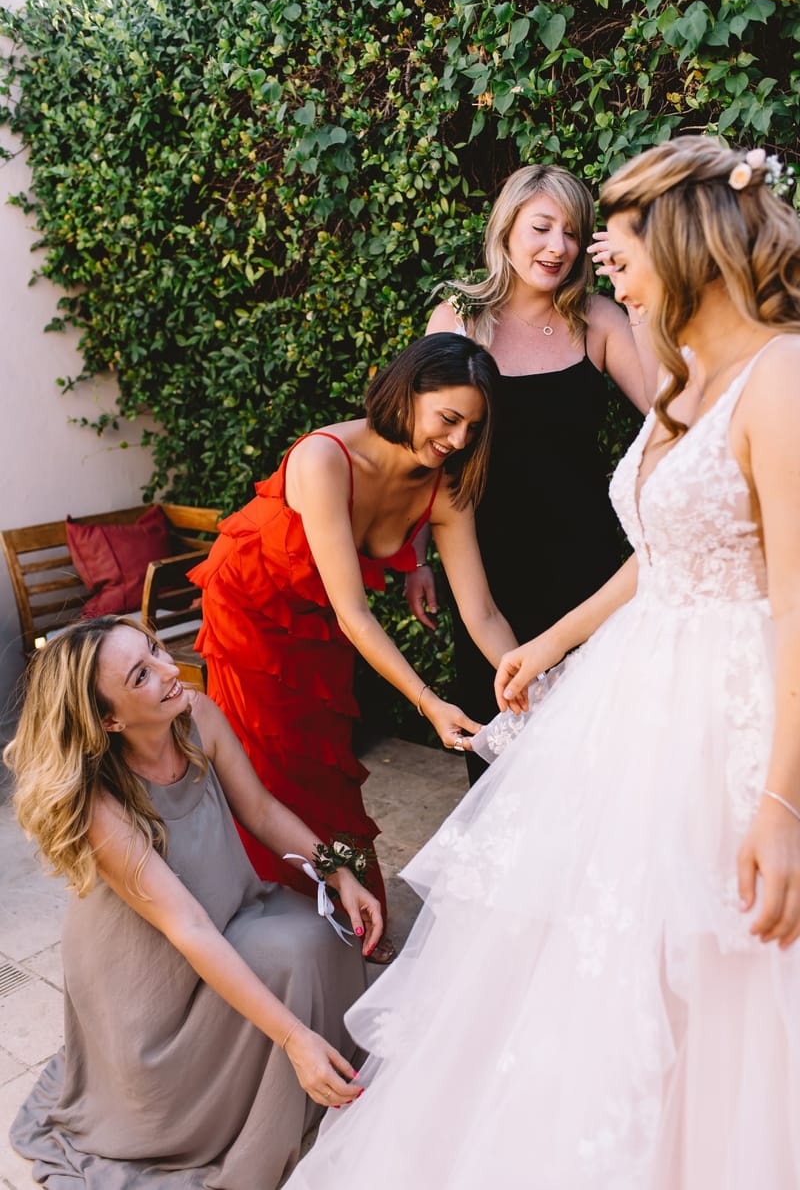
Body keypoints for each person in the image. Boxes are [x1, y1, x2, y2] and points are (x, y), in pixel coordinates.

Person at [281, 136, 800, 1188]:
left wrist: (779, 802)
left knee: (722, 974)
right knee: (593, 962)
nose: (596, 260)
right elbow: (660, 550)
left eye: (612, 243)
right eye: (572, 237)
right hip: (626, 679)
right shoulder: (683, 384)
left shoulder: (771, 377)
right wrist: (550, 640)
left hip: (729, 711)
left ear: (683, 241)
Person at [5, 616, 383, 1190]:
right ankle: (282, 1079)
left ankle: (324, 1076)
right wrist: (291, 1038)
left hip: (223, 910)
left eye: (155, 650)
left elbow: (258, 809)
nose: (167, 669)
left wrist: (339, 873)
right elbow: (189, 929)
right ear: (109, 719)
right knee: (287, 963)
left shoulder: (198, 714)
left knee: (319, 934)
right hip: (146, 971)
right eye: (140, 674)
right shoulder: (100, 806)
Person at [189, 332, 518, 963]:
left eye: (471, 429)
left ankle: (346, 914)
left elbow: (481, 610)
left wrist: (523, 675)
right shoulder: (325, 458)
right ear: (407, 394)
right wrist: (428, 701)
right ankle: (268, 920)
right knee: (264, 762)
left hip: (322, 620)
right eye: (446, 419)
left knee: (327, 766)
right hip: (252, 609)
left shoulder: (444, 488)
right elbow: (356, 612)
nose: (455, 441)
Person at [405, 163, 658, 783]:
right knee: (506, 747)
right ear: (507, 228)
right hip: (487, 564)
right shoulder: (459, 318)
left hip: (588, 560)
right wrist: (415, 555)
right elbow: (425, 448)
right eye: (542, 227)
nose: (558, 248)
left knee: (597, 744)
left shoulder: (596, 318)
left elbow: (664, 410)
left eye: (572, 233)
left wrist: (644, 300)